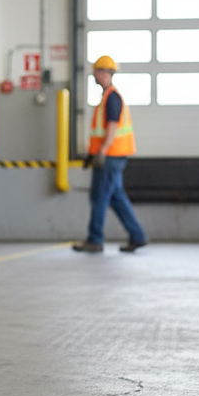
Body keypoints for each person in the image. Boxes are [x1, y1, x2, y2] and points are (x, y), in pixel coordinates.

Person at [73, 55, 148, 254]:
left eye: (97, 71)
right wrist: (92, 154)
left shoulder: (112, 98)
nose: (95, 75)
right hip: (113, 156)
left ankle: (95, 240)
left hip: (110, 157)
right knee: (116, 198)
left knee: (99, 198)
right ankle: (138, 236)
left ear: (105, 73)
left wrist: (102, 152)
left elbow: (112, 126)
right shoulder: (107, 97)